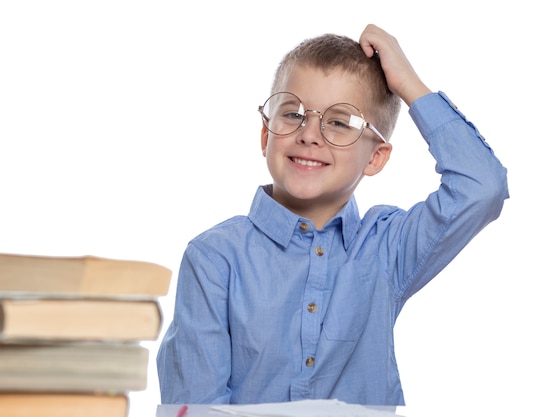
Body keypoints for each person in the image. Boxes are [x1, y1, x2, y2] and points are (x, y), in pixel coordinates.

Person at [157, 23, 509, 406]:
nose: (309, 133)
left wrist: (409, 84)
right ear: (265, 135)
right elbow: (195, 407)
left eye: (339, 122)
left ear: (375, 157)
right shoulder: (214, 258)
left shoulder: (386, 249)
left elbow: (482, 186)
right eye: (292, 114)